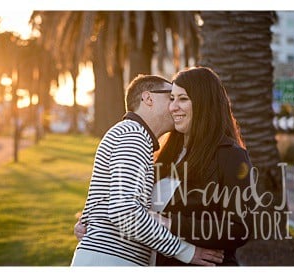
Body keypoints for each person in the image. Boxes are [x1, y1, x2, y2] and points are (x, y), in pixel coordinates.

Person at [70, 74, 224, 266]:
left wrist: (87, 222)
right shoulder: (132, 136)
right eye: (171, 97)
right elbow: (124, 212)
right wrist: (186, 251)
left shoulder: (129, 134)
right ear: (148, 98)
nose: (175, 106)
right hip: (112, 261)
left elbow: (106, 202)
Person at [153, 66, 255, 266]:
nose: (173, 107)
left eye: (183, 99)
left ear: (203, 104)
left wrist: (171, 223)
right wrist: (95, 223)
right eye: (172, 99)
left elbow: (239, 229)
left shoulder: (231, 156)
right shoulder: (167, 153)